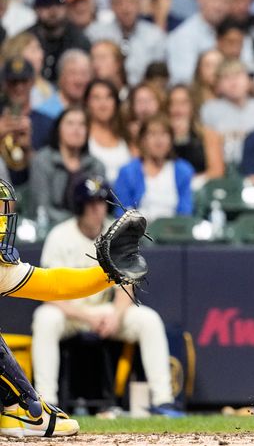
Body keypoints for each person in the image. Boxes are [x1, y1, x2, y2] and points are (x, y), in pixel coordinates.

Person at [0, 177, 148, 437]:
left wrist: (105, 273)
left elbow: (52, 283)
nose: (3, 221)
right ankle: (24, 408)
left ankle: (21, 408)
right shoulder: (62, 234)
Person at [31, 175, 184, 419]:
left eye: (101, 203)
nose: (97, 209)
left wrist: (116, 315)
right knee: (45, 318)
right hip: (70, 312)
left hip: (105, 312)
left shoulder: (116, 233)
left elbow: (127, 285)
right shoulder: (60, 236)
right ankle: (45, 402)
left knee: (148, 319)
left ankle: (164, 401)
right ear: (80, 206)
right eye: (91, 203)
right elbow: (49, 293)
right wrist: (85, 318)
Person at [29, 106, 105, 226]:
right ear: (58, 129)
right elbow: (42, 208)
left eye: (82, 124)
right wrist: (75, 224)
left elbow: (99, 206)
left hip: (88, 231)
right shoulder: (42, 161)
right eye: (70, 123)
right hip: (50, 229)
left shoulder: (96, 165)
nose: (76, 129)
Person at [86, 0, 168, 86]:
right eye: (119, 2)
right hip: (106, 93)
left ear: (140, 5)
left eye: (131, 1)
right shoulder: (95, 34)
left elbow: (159, 77)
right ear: (111, 5)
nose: (126, 8)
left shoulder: (155, 36)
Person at [114, 116, 194, 220]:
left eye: (164, 134)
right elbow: (121, 212)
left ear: (171, 140)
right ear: (143, 140)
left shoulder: (183, 171)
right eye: (152, 134)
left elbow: (185, 213)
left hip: (173, 232)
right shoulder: (127, 172)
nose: (159, 141)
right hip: (138, 232)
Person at [200, 59, 254, 167]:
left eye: (237, 75)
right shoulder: (209, 110)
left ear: (248, 80)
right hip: (224, 169)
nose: (233, 82)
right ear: (218, 85)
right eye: (226, 77)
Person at [27, 0, 91, 83]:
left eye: (58, 4)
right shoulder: (27, 38)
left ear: (66, 7)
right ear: (36, 9)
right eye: (47, 5)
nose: (53, 11)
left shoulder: (79, 40)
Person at [85, 78, 131, 184]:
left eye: (109, 97)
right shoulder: (82, 135)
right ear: (87, 102)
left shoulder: (126, 136)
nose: (103, 104)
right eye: (96, 98)